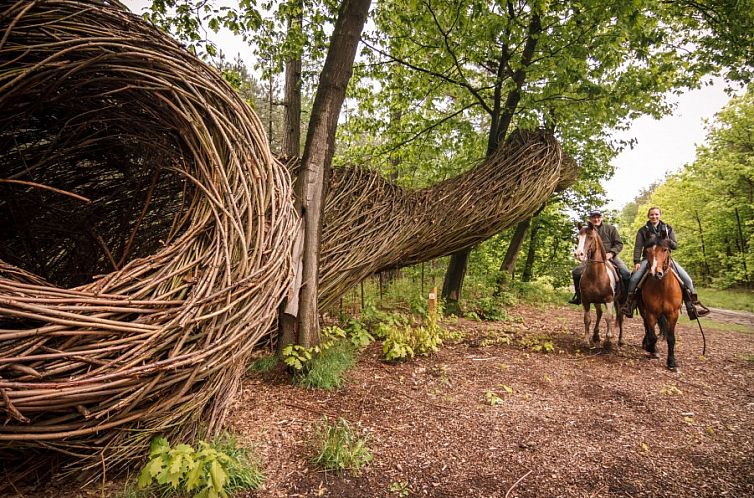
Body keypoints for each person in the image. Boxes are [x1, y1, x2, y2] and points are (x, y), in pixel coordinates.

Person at [622, 207, 710, 319]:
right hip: (648, 259)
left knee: (687, 279)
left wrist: (667, 240)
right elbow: (638, 247)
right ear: (648, 216)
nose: (654, 216)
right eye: (652, 215)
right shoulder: (643, 230)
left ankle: (692, 306)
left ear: (660, 215)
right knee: (634, 279)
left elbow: (675, 246)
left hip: (666, 259)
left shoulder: (668, 228)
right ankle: (629, 304)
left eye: (656, 214)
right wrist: (636, 261)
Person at [569, 210, 631, 305]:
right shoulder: (586, 230)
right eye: (594, 217)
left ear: (601, 218)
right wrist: (583, 255)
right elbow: (582, 244)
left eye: (598, 217)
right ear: (590, 219)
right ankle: (579, 296)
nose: (596, 219)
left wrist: (611, 253)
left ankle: (625, 299)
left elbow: (619, 244)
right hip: (592, 259)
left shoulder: (610, 229)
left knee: (626, 273)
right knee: (576, 272)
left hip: (610, 256)